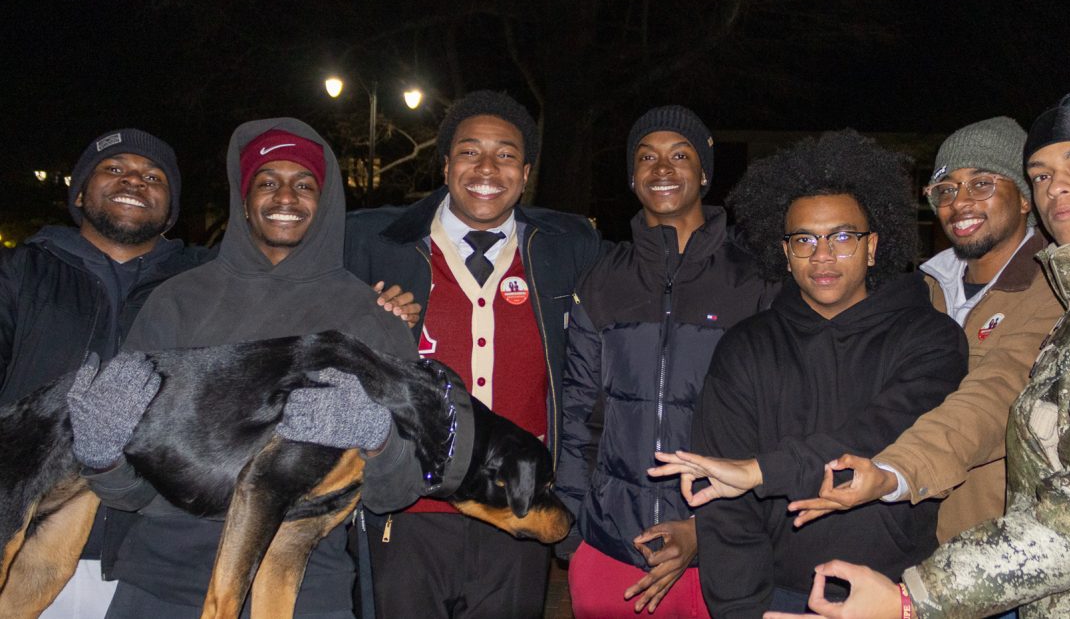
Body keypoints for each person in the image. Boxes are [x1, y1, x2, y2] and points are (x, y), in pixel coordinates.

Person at [779, 93, 1070, 619]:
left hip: (1011, 570)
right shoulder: (924, 289)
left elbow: (1005, 403)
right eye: (1042, 174)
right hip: (958, 558)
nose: (1059, 186)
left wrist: (914, 589)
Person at [80, 118, 424, 618]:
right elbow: (131, 489)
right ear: (243, 201)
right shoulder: (177, 301)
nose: (286, 196)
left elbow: (401, 487)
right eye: (267, 182)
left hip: (300, 590)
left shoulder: (371, 316)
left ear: (325, 202)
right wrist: (103, 458)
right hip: (163, 583)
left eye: (303, 184)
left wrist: (378, 439)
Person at [650, 130, 968, 617]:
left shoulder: (931, 338)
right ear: (785, 252)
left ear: (872, 246)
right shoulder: (746, 347)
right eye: (805, 239)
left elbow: (877, 432)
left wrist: (760, 471)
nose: (822, 256)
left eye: (842, 237)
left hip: (899, 597)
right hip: (778, 597)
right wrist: (743, 612)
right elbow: (723, 505)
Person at [344, 90, 603, 618]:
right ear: (444, 166)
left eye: (506, 154)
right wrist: (367, 323)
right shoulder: (371, 243)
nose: (487, 167)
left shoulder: (567, 247)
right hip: (408, 508)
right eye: (469, 151)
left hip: (517, 511)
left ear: (526, 172)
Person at [785, 117, 1062, 553]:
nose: (960, 202)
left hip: (1001, 550)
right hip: (908, 546)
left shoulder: (1054, 290)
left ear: (1025, 198)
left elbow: (997, 396)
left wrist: (896, 472)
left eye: (982, 184)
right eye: (946, 189)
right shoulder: (922, 290)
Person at [554, 106, 776, 617]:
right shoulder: (602, 278)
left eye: (680, 155)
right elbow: (579, 414)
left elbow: (773, 426)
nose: (662, 169)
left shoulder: (756, 279)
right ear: (632, 177)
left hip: (717, 554)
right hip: (611, 544)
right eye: (647, 157)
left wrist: (705, 530)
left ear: (703, 173)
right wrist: (572, 522)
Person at [0, 129, 206, 618]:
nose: (134, 180)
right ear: (78, 192)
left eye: (153, 176)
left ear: (170, 206)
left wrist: (382, 307)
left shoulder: (202, 285)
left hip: (154, 562)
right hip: (22, 551)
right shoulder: (20, 273)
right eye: (114, 169)